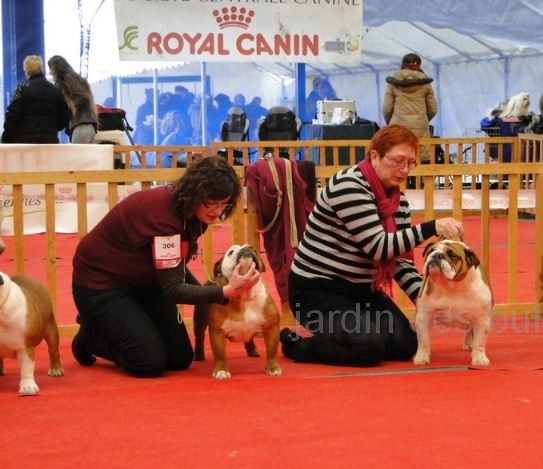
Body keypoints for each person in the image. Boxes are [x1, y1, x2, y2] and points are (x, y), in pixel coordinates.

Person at [279, 125, 465, 367]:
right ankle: (298, 346)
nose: (405, 169)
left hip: (361, 291)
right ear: (375, 156)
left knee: (406, 344)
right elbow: (379, 247)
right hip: (316, 292)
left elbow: (398, 260)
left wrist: (428, 298)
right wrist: (431, 228)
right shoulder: (348, 185)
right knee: (367, 348)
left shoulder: (398, 201)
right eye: (398, 161)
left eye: (411, 163)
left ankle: (344, 334)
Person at [71, 156, 261, 377]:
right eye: (211, 203)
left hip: (146, 283)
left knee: (180, 358)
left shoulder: (192, 211)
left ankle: (121, 328)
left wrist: (215, 292)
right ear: (194, 193)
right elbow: (173, 289)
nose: (217, 211)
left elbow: (174, 267)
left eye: (224, 204)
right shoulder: (164, 219)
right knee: (149, 363)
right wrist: (223, 292)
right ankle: (91, 336)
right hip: (100, 287)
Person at [382, 53, 438, 163]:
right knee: (419, 162)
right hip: (420, 129)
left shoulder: (393, 83)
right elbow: (433, 109)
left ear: (402, 65)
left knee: (398, 161)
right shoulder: (425, 83)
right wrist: (422, 119)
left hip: (398, 129)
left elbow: (387, 109)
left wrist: (392, 124)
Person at [1, 55, 69, 144]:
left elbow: (12, 115)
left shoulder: (21, 88)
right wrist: (52, 129)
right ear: (42, 69)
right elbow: (65, 116)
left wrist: (5, 137)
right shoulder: (55, 90)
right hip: (50, 142)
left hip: (26, 144)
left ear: (26, 70)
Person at [47, 55, 98, 144]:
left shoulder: (68, 79)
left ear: (56, 68)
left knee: (78, 157)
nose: (51, 73)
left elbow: (83, 97)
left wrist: (68, 108)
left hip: (81, 125)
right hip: (87, 125)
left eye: (51, 69)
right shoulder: (76, 78)